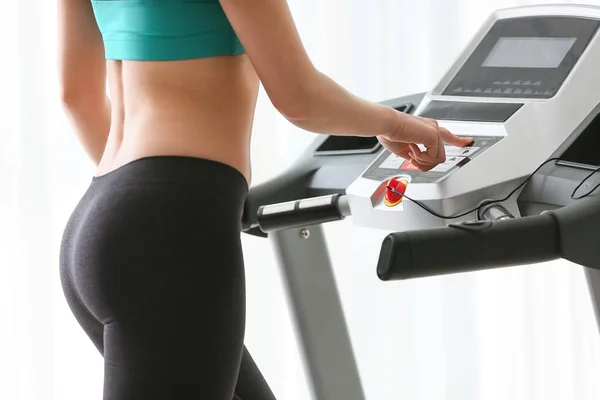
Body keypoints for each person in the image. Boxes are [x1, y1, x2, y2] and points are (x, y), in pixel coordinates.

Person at [57, 0, 474, 398]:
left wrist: (131, 209)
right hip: (165, 225)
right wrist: (397, 124)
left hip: (99, 217)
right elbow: (300, 98)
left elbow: (76, 97)